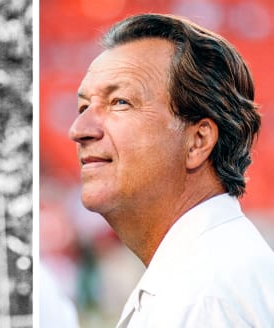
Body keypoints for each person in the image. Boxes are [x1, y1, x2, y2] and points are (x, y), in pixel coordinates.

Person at [68, 13, 274, 327]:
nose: (79, 129)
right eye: (84, 107)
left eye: (120, 102)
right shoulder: (201, 274)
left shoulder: (206, 295)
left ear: (197, 141)